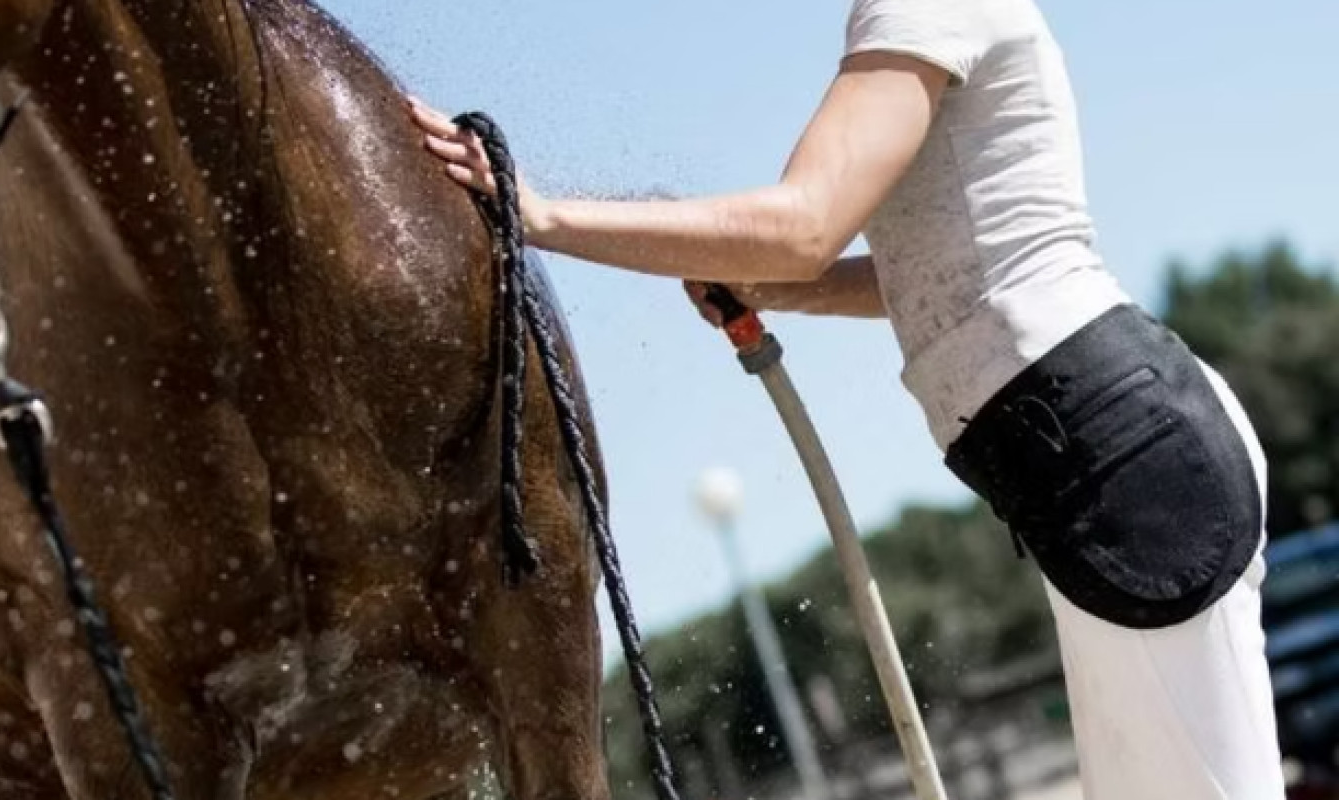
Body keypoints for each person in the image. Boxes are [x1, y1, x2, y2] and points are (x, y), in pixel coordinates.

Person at [406, 0, 1285, 796]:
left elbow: (805, 223)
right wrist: (776, 289)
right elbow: (937, 273)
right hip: (1095, 445)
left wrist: (544, 216)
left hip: (1117, 455)